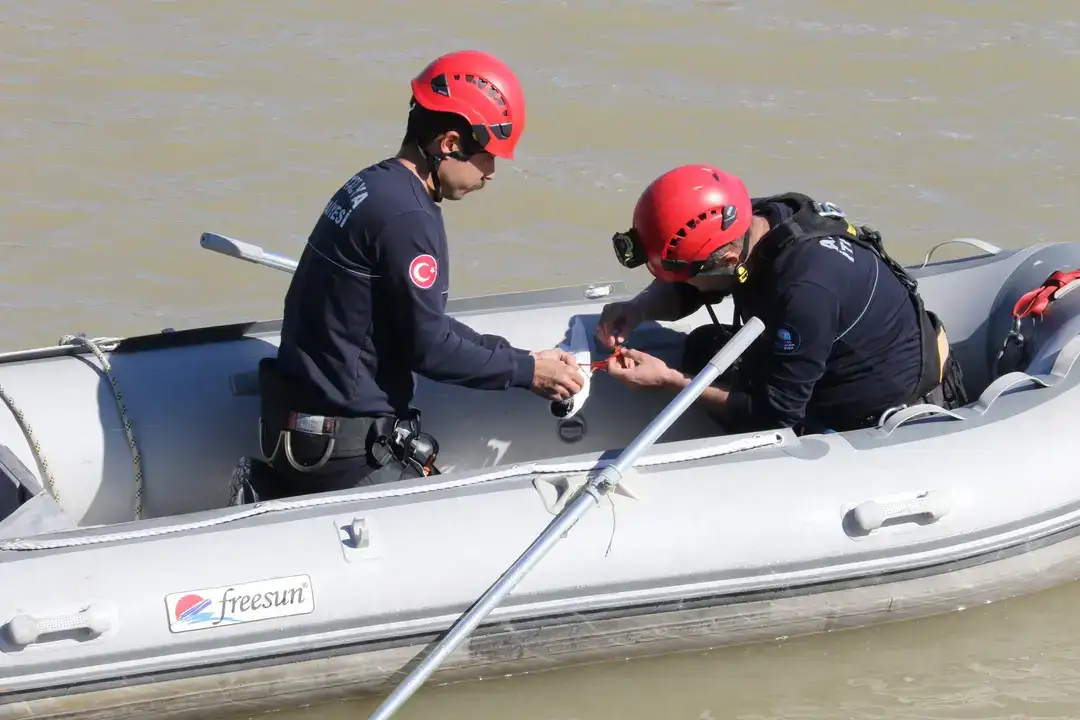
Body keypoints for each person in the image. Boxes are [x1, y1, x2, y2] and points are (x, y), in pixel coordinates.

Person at [244, 50, 584, 502]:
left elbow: (421, 322)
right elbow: (429, 348)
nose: (491, 173)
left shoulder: (371, 185)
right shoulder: (410, 216)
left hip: (301, 435)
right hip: (344, 456)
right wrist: (525, 372)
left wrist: (516, 356)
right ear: (450, 144)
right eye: (487, 157)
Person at [595, 164, 968, 435]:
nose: (678, 284)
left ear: (726, 262)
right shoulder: (748, 224)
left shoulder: (804, 291)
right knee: (702, 347)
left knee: (709, 374)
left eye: (685, 275)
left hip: (886, 406)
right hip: (827, 348)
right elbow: (691, 286)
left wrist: (670, 382)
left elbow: (776, 413)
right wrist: (638, 308)